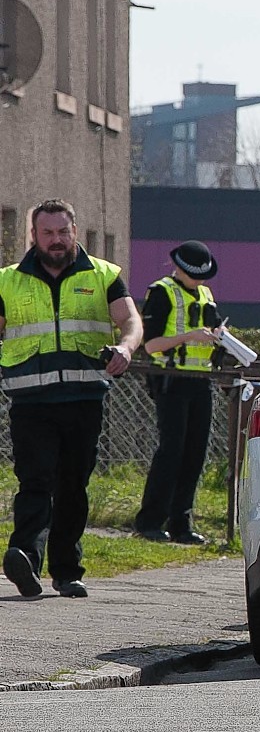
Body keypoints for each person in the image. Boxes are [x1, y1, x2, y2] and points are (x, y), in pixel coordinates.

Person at [1, 199, 143, 599]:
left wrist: (127, 348)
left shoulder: (103, 275)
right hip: (31, 402)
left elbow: (130, 320)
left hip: (83, 399)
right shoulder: (7, 281)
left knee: (72, 485)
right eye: (47, 233)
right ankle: (25, 556)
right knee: (35, 479)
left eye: (63, 232)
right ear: (34, 235)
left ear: (75, 232)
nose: (56, 240)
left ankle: (67, 571)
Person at [133, 240, 223, 544]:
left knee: (195, 452)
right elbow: (151, 344)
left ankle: (181, 523)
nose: (200, 280)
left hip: (200, 380)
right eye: (195, 274)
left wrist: (219, 339)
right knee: (171, 451)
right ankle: (150, 521)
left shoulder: (206, 294)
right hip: (171, 380)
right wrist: (189, 336)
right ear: (179, 268)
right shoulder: (161, 292)